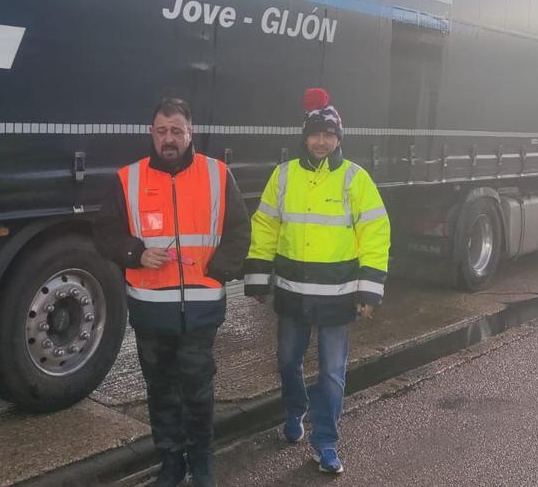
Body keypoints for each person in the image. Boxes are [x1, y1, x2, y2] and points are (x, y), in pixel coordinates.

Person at [94, 98, 250, 487]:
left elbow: (239, 231)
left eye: (176, 131)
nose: (169, 139)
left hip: (201, 309)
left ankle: (201, 463)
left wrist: (219, 270)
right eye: (162, 130)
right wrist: (136, 252)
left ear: (190, 133)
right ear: (151, 133)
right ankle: (170, 463)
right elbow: (104, 233)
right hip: (150, 311)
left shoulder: (217, 175)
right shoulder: (128, 179)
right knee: (161, 390)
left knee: (198, 390)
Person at [243, 87, 391, 475]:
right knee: (287, 361)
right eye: (315, 133)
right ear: (304, 137)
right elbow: (265, 226)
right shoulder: (284, 175)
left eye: (329, 134)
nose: (321, 141)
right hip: (292, 294)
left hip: (338, 298)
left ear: (338, 138)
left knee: (331, 373)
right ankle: (295, 411)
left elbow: (375, 233)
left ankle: (325, 442)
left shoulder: (355, 179)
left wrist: (368, 290)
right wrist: (259, 279)